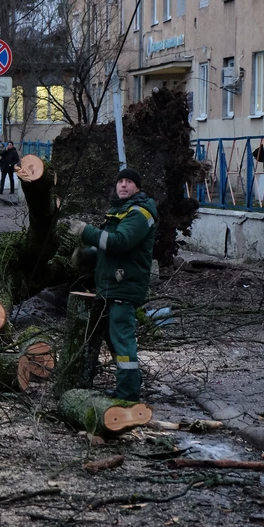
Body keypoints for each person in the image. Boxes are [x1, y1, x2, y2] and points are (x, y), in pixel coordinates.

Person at [69, 168, 157, 401]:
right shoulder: (120, 211)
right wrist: (89, 255)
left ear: (137, 188)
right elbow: (108, 249)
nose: (124, 185)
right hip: (112, 285)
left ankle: (128, 393)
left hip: (125, 284)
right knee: (114, 336)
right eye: (120, 181)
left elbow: (121, 242)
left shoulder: (140, 213)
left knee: (122, 336)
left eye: (129, 182)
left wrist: (86, 231)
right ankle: (128, 385)